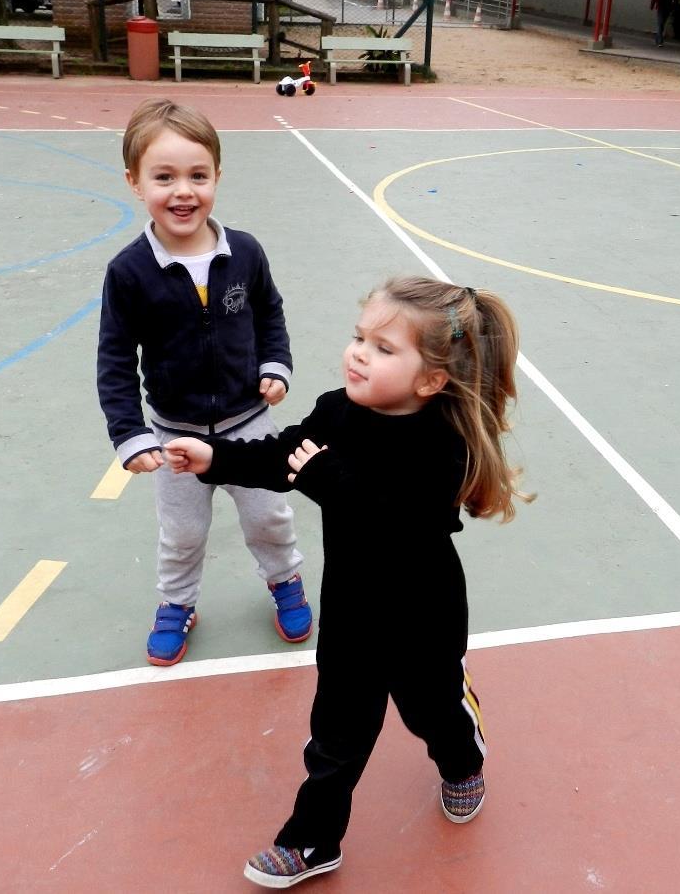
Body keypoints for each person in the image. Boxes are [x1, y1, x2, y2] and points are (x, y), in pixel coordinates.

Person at [165, 277, 531, 888]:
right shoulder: (339, 410)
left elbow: (405, 525)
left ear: (430, 380)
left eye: (384, 348)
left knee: (431, 711)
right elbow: (288, 453)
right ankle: (313, 842)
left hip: (422, 613)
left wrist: (326, 476)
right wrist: (217, 459)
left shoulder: (444, 441)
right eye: (360, 337)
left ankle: (464, 763)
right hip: (354, 610)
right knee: (336, 733)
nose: (359, 352)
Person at [97, 98, 312, 667]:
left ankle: (284, 580)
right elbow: (115, 357)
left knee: (269, 514)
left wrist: (276, 364)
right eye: (164, 177)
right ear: (135, 183)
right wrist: (130, 434)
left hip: (249, 424)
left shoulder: (244, 251)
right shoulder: (128, 271)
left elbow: (269, 312)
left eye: (198, 175)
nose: (183, 191)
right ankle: (176, 603)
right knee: (183, 532)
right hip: (175, 435)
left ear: (218, 176)